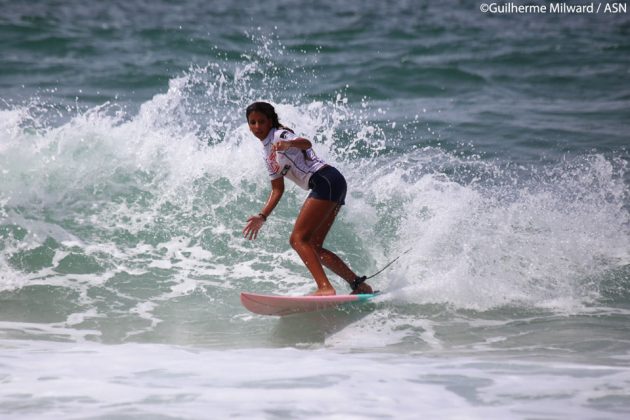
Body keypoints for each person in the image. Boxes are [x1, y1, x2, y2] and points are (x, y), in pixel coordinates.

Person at [242, 101, 373, 296]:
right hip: (333, 182)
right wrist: (262, 216)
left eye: (262, 121)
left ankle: (325, 288)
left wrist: (289, 144)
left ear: (270, 121)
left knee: (297, 239)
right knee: (313, 245)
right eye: (253, 122)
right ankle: (358, 284)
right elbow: (277, 189)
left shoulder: (280, 134)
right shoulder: (267, 153)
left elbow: (306, 143)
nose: (257, 127)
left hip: (324, 180)